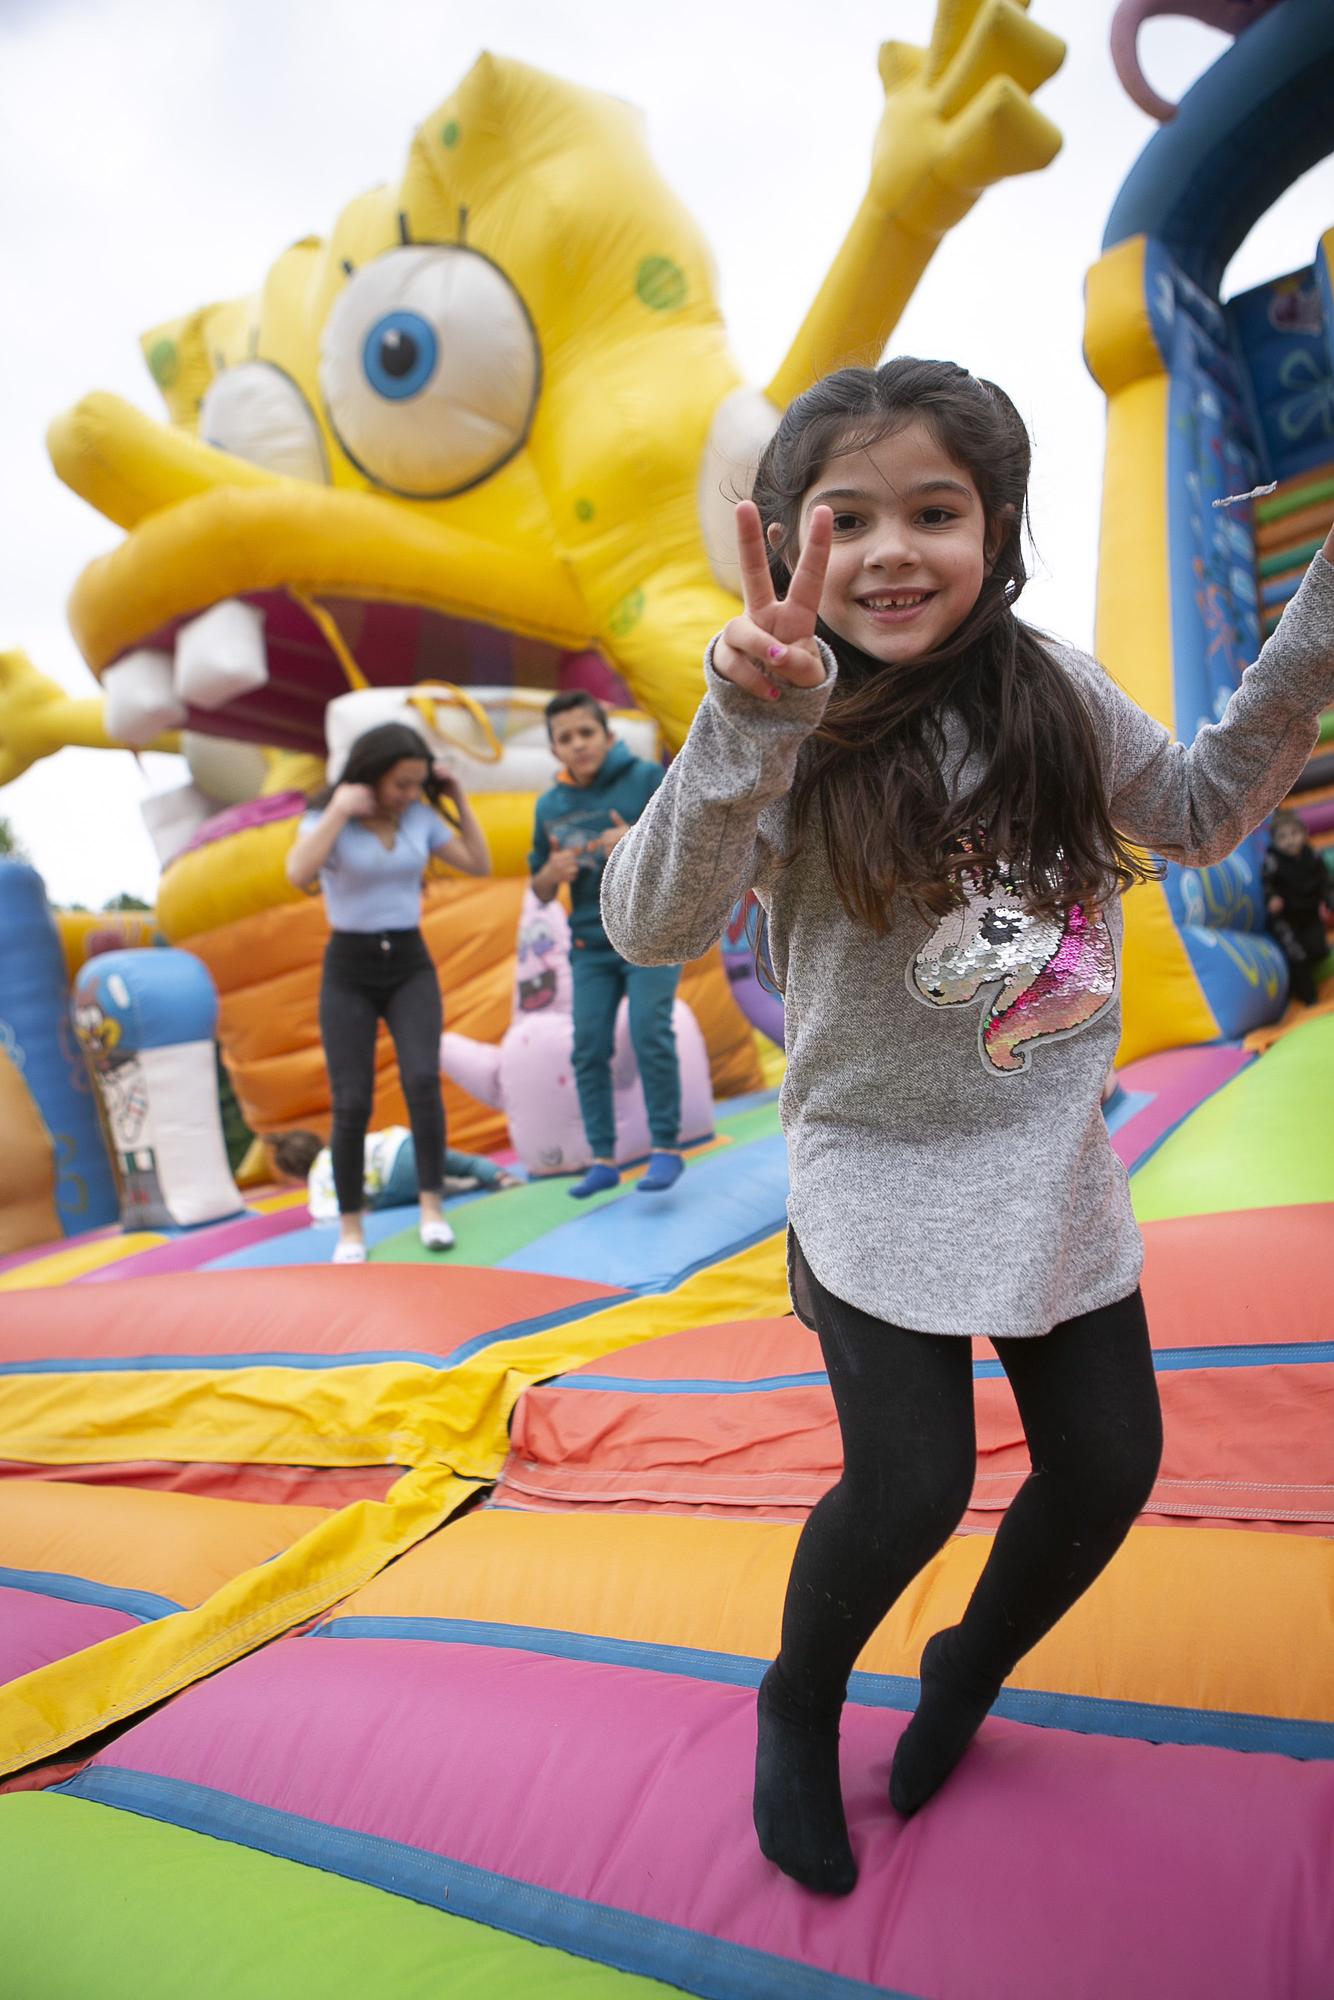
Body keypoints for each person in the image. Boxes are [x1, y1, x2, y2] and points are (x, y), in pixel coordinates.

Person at [601, 357, 1334, 1895]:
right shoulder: (780, 718)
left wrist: (1316, 623)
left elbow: (1195, 810)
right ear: (789, 540)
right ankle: (797, 1697)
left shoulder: (1051, 690)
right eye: (844, 516)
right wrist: (743, 715)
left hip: (1043, 1157)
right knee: (912, 1482)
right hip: (872, 1165)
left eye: (931, 512)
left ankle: (966, 1666)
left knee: (1109, 1467)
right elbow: (650, 924)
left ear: (994, 532)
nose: (887, 551)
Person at [285, 721, 491, 1264]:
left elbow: (480, 862)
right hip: (348, 968)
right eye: (399, 784)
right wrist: (338, 811)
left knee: (423, 1079)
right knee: (352, 1100)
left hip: (408, 962)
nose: (406, 795)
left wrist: (456, 798)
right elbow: (296, 871)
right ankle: (351, 1228)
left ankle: (432, 1208)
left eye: (415, 784)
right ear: (370, 775)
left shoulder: (419, 817)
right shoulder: (331, 816)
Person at [530, 691, 686, 1198]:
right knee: (588, 1046)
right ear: (554, 750)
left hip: (648, 933)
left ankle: (665, 1147)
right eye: (565, 739)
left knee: (648, 1031)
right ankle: (602, 1156)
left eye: (586, 733)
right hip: (590, 944)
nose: (578, 745)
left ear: (608, 736)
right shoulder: (550, 805)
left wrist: (635, 838)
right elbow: (539, 887)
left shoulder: (642, 778)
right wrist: (550, 874)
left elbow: (683, 841)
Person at [270, 1127, 521, 1220]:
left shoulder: (318, 1174)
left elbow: (325, 1211)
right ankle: (500, 1176)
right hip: (406, 1141)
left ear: (296, 1170)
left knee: (379, 1201)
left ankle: (445, 1186)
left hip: (396, 1172)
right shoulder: (341, 1145)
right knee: (463, 1162)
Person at [1263, 806, 1331, 1006]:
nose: (1290, 840)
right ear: (1274, 842)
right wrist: (1272, 898)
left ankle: (1304, 982)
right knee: (1298, 956)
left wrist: (1328, 899)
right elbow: (1267, 883)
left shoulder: (1313, 857)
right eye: (1282, 837)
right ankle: (1309, 998)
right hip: (1286, 919)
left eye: (1294, 834)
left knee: (1319, 951)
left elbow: (1325, 881)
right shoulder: (1273, 861)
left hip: (1309, 914)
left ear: (1304, 833)